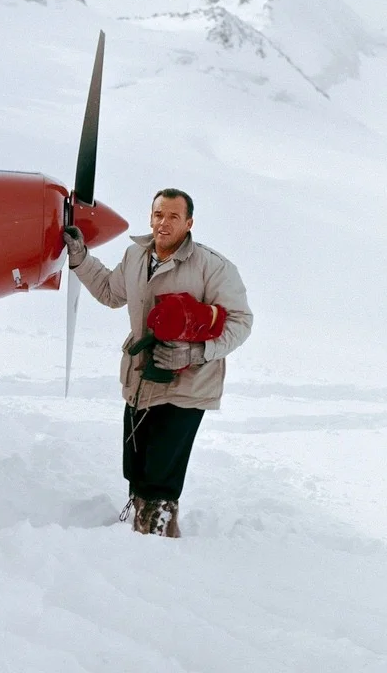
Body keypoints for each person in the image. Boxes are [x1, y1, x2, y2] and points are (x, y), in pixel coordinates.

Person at [64, 189, 253, 537]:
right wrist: (80, 258)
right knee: (136, 466)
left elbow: (241, 323)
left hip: (188, 384)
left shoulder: (214, 267)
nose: (163, 223)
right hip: (141, 379)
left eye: (173, 217)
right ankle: (139, 528)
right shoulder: (136, 256)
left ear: (189, 223)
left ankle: (158, 539)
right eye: (158, 215)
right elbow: (109, 291)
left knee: (162, 475)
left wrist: (196, 353)